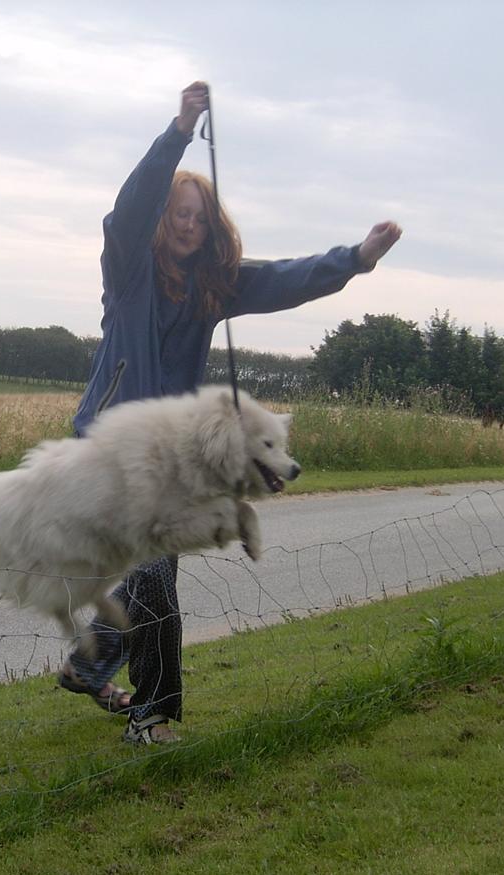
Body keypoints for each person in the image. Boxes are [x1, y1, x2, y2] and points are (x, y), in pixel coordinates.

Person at [56, 81, 402, 744]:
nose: (188, 224)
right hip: (112, 447)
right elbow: (125, 214)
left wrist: (356, 259)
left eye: (199, 216)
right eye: (178, 213)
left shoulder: (216, 286)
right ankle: (153, 714)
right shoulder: (129, 269)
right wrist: (180, 131)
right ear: (162, 218)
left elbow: (283, 279)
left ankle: (88, 665)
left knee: (150, 571)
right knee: (154, 576)